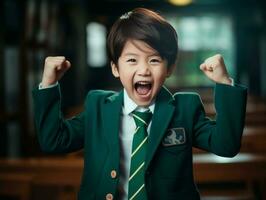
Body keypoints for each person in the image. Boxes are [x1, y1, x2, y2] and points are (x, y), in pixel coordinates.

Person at [32, 7, 247, 200]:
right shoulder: (98, 106)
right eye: (132, 60)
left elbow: (226, 146)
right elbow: (54, 141)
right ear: (115, 68)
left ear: (169, 68)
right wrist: (48, 84)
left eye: (154, 60)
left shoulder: (185, 109)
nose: (143, 70)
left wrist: (224, 83)